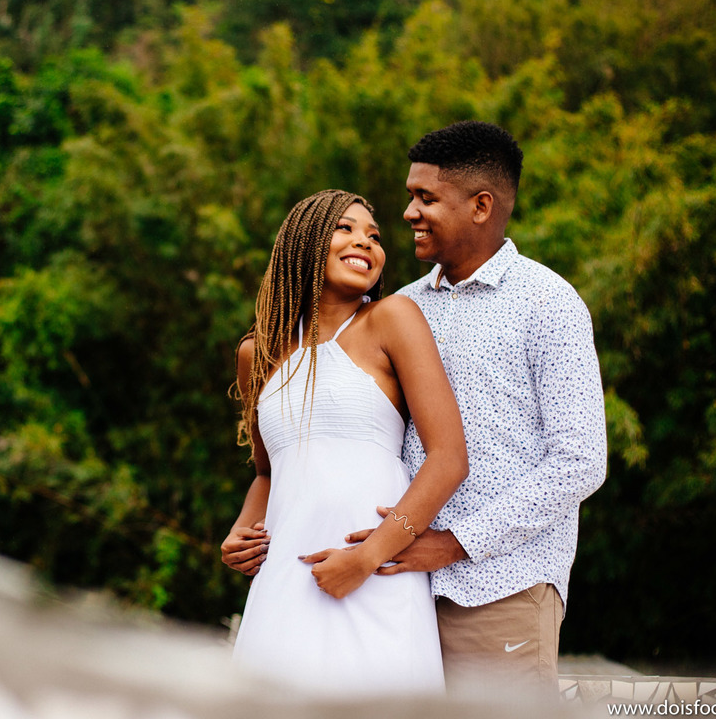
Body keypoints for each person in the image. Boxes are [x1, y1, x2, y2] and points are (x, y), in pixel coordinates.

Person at [334, 120, 609, 698]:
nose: (408, 212)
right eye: (411, 196)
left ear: (481, 205)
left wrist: (456, 541)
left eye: (426, 198)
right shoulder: (400, 307)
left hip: (500, 589)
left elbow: (581, 461)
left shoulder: (549, 304)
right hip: (395, 590)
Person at [221, 189, 468, 696]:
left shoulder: (392, 319)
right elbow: (269, 473)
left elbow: (448, 460)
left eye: (374, 236)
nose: (365, 243)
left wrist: (369, 557)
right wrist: (243, 530)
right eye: (346, 228)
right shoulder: (258, 353)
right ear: (304, 242)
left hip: (375, 576)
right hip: (285, 583)